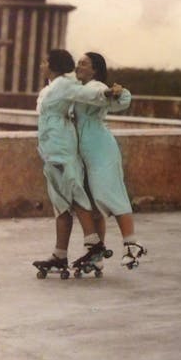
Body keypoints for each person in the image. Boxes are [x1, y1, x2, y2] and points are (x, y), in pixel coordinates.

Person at [31, 49, 107, 278]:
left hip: (62, 148)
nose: (41, 65)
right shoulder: (50, 87)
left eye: (44, 61)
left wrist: (112, 94)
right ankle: (59, 254)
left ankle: (94, 245)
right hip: (50, 149)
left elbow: (92, 95)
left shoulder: (65, 84)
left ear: (53, 65)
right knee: (61, 203)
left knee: (74, 193)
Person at [73, 52, 146, 270]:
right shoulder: (80, 89)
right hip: (86, 152)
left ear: (95, 70)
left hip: (101, 150)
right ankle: (96, 256)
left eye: (84, 64)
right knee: (95, 203)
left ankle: (132, 244)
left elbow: (107, 96)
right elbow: (114, 102)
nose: (78, 66)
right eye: (78, 63)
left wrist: (114, 91)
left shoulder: (94, 87)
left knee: (109, 194)